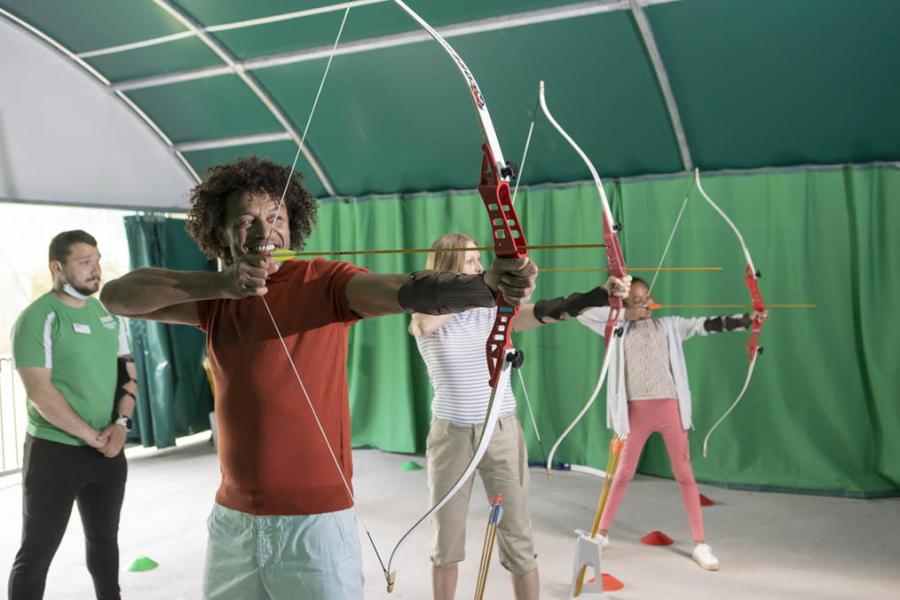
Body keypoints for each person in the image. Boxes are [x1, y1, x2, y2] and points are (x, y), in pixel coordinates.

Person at [99, 157, 539, 600]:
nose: (263, 231)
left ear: (293, 227)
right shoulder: (213, 300)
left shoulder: (323, 281)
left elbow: (404, 290)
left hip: (315, 523)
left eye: (276, 217)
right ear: (220, 232)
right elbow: (117, 296)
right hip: (233, 520)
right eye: (246, 220)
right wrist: (220, 286)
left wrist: (483, 286)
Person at [410, 232, 631, 600]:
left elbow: (540, 312)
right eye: (470, 262)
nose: (480, 267)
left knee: (518, 538)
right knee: (446, 538)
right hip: (451, 437)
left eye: (480, 260)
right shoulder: (428, 312)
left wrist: (598, 296)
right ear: (450, 267)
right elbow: (421, 326)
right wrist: (477, 291)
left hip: (501, 432)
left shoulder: (493, 310)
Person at [577, 277, 767, 571]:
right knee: (623, 473)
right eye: (637, 300)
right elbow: (583, 314)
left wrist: (746, 321)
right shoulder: (617, 327)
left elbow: (705, 325)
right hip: (635, 413)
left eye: (647, 298)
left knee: (684, 473)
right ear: (625, 304)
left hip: (670, 409)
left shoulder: (669, 325)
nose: (646, 304)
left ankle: (701, 544)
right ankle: (601, 535)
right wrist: (625, 312)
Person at [9, 230, 137, 600]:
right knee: (36, 554)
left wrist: (120, 426)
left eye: (97, 260)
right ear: (58, 267)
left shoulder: (109, 317)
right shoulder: (38, 318)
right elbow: (40, 393)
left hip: (107, 448)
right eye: (85, 262)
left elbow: (128, 375)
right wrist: (90, 435)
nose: (96, 269)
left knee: (104, 542)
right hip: (55, 452)